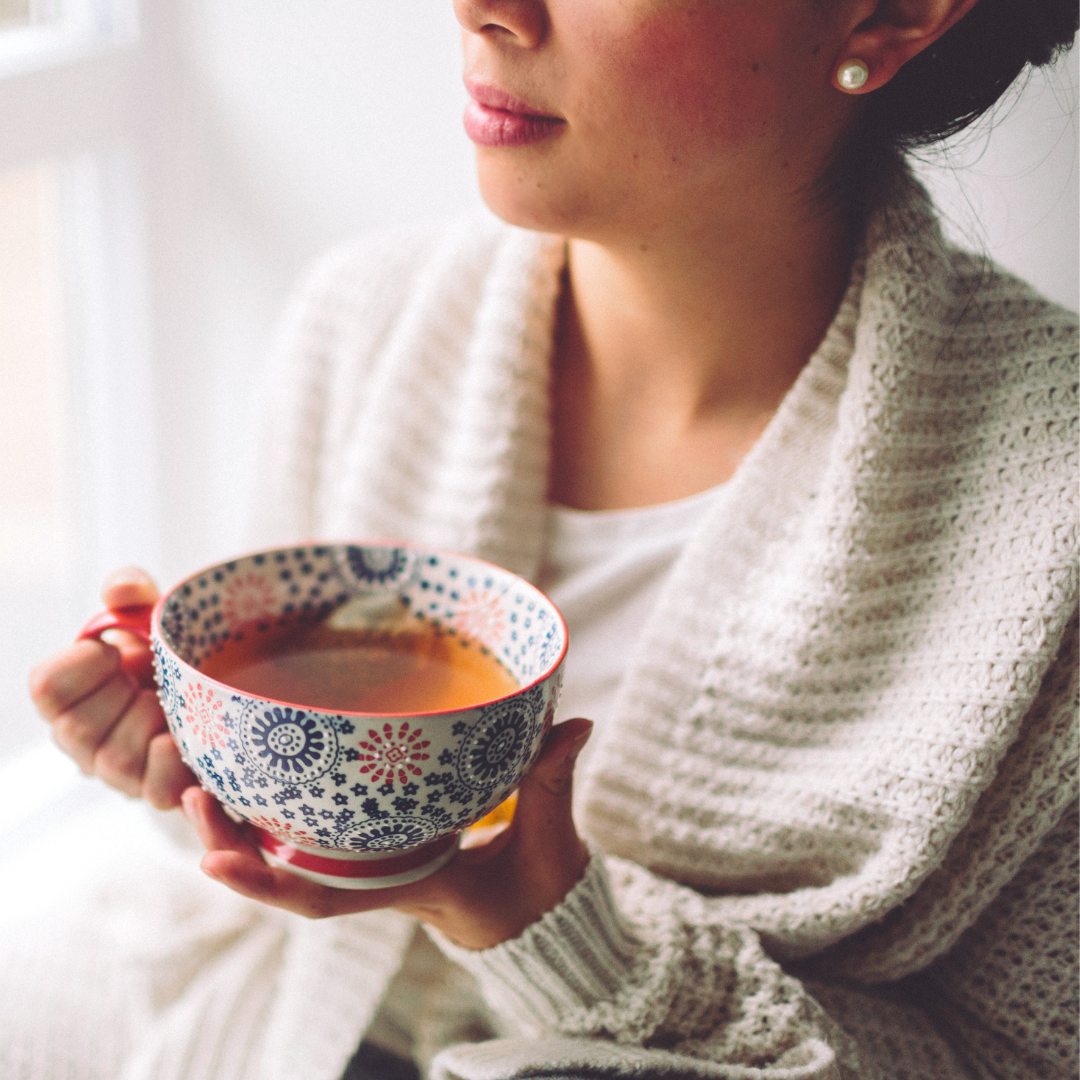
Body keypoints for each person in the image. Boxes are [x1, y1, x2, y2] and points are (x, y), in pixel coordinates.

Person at [14, 1, 1078, 1078]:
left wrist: (563, 936)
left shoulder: (1052, 520)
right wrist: (196, 765)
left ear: (895, 13)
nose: (483, 8)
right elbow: (284, 875)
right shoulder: (367, 324)